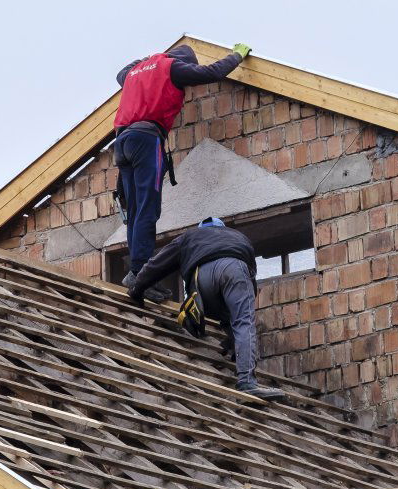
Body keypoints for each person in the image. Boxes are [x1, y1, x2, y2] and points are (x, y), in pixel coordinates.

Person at [114, 43, 251, 302]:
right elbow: (212, 72)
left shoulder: (134, 72)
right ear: (183, 62)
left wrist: (149, 59)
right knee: (147, 209)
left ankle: (136, 269)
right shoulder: (173, 68)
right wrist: (237, 56)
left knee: (134, 210)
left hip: (121, 143)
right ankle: (140, 273)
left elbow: (121, 73)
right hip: (146, 139)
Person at [128, 217, 286, 402]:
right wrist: (237, 338)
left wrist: (137, 289)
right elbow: (248, 288)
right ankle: (247, 383)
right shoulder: (240, 238)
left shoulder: (190, 236)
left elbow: (157, 264)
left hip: (202, 282)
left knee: (193, 308)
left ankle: (194, 326)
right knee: (243, 322)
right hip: (235, 270)